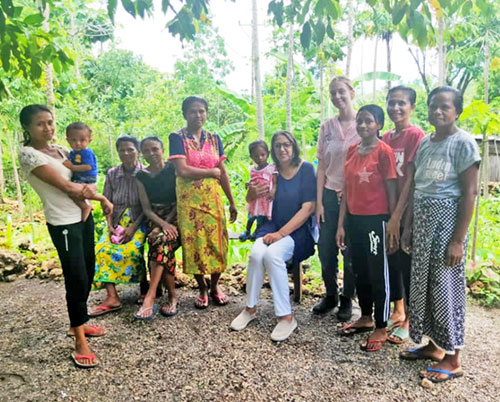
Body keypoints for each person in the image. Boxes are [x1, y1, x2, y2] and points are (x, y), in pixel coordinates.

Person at [18, 104, 113, 368]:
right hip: (63, 223)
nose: (47, 128)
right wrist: (102, 197)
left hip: (83, 218)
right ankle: (80, 340)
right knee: (76, 276)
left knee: (89, 270)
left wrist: (89, 196)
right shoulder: (29, 155)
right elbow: (67, 186)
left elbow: (84, 178)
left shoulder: (61, 150)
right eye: (40, 124)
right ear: (27, 127)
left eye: (50, 122)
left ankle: (79, 323)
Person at [399, 87, 480, 383]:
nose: (438, 111)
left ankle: (453, 358)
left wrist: (458, 239)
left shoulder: (464, 143)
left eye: (444, 107)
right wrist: (407, 227)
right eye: (433, 106)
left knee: (447, 290)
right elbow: (416, 189)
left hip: (447, 226)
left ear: (456, 110)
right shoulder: (424, 143)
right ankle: (434, 346)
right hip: (422, 221)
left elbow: (470, 192)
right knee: (425, 286)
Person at [231, 131, 316, 342]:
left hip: (297, 231)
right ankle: (250, 309)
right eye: (277, 146)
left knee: (272, 256)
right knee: (256, 255)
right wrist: (252, 192)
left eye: (287, 145)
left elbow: (308, 208)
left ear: (294, 146)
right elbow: (251, 199)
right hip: (270, 225)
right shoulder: (270, 170)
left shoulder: (306, 169)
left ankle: (286, 317)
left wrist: (280, 234)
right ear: (272, 150)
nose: (282, 149)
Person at [336, 105, 398, 352]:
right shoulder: (352, 150)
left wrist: (394, 222)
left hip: (377, 221)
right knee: (358, 269)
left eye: (369, 121)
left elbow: (392, 189)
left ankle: (381, 325)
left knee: (377, 273)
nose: (363, 125)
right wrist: (341, 224)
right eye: (360, 121)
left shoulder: (384, 152)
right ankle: (365, 316)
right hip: (354, 220)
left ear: (379, 125)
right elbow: (347, 190)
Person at [169, 96, 237, 309]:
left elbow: (222, 172)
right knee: (195, 245)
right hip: (189, 203)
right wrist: (211, 172)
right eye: (193, 111)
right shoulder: (177, 137)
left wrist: (232, 202)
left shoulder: (215, 139)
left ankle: (215, 285)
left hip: (213, 201)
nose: (198, 115)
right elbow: (182, 170)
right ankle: (202, 288)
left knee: (218, 243)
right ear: (185, 114)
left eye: (201, 111)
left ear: (206, 113)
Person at [312, 76, 360, 320]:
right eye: (333, 93)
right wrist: (319, 202)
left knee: (350, 251)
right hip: (330, 195)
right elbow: (321, 166)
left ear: (351, 92)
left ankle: (347, 298)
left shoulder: (364, 124)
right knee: (326, 249)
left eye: (341, 92)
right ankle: (330, 293)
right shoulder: (326, 127)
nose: (337, 97)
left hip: (356, 199)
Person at [382, 86, 425, 344]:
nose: (396, 108)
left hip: (406, 210)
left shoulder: (415, 135)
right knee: (391, 261)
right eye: (391, 103)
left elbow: (410, 177)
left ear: (412, 106)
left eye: (402, 103)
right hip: (387, 208)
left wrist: (397, 215)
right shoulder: (386, 137)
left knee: (406, 262)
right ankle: (397, 310)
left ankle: (409, 318)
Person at [90, 135, 147, 316]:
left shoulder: (146, 173)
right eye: (122, 150)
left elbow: (149, 207)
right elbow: (106, 203)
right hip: (117, 222)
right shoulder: (112, 174)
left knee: (133, 248)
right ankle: (112, 296)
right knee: (101, 248)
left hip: (141, 221)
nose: (126, 153)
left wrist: (133, 227)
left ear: (137, 151)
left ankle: (144, 286)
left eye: (130, 149)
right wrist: (109, 226)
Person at [134, 136, 181, 319]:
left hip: (176, 216)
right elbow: (146, 209)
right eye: (146, 151)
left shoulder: (173, 168)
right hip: (155, 217)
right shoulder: (141, 176)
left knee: (159, 240)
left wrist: (167, 223)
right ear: (142, 154)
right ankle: (171, 297)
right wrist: (161, 225)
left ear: (162, 150)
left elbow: (179, 199)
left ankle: (151, 296)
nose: (151, 154)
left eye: (155, 149)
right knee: (161, 242)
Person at [239, 140, 278, 241]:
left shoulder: (272, 167)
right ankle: (247, 231)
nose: (260, 158)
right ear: (251, 157)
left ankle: (256, 231)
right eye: (256, 156)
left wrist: (273, 190)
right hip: (255, 199)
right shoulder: (253, 169)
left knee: (261, 217)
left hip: (265, 198)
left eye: (262, 155)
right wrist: (249, 184)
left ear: (268, 154)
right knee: (251, 216)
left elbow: (275, 181)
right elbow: (253, 180)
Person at [62, 122, 98, 222]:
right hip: (81, 176)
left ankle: (85, 206)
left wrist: (72, 167)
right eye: (74, 140)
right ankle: (88, 204)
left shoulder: (87, 152)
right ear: (68, 140)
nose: (78, 143)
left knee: (73, 192)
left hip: (86, 177)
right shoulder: (73, 152)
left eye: (82, 140)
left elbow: (88, 167)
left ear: (89, 140)